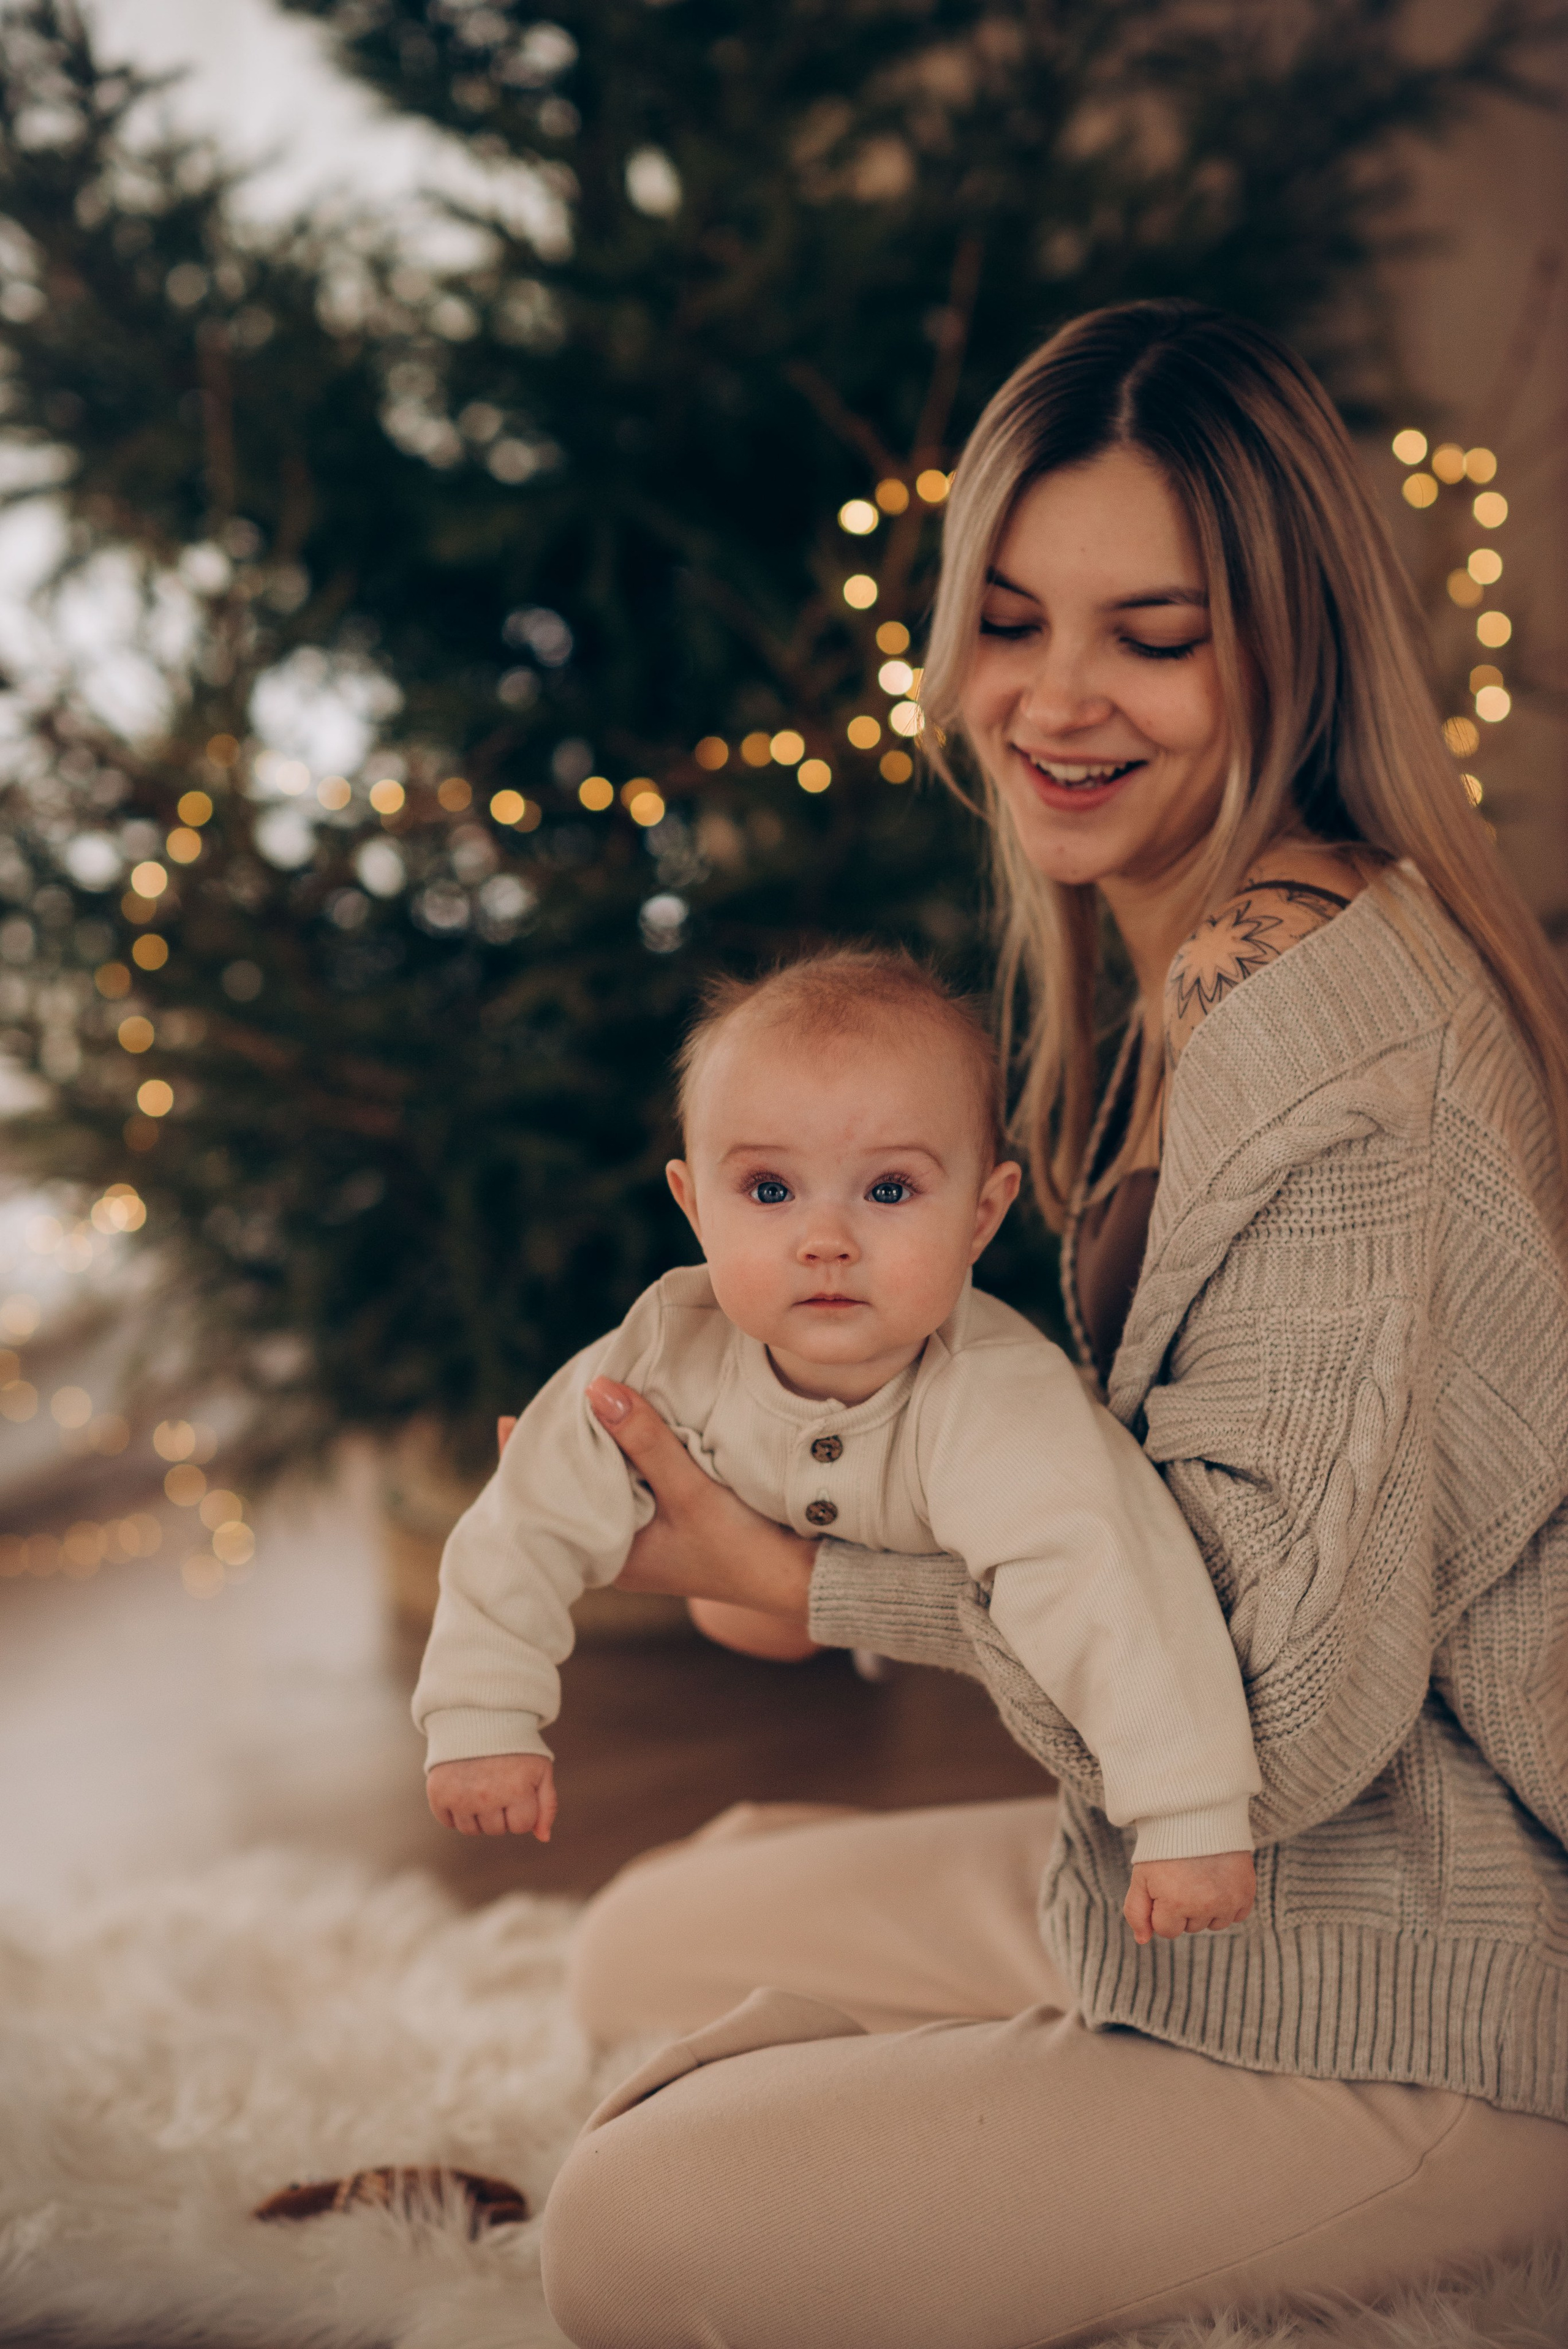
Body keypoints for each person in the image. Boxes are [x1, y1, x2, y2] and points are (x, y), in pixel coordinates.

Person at [538, 300, 1568, 2348]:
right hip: (1254, 1886)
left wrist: (830, 1585)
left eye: (1154, 635)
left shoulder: (1346, 1071)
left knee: (626, 2238)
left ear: (1291, 652)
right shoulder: (1185, 956)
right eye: (1007, 619)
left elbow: (1264, 1742)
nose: (1055, 697)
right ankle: (899, 2090)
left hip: (1441, 1981)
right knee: (636, 1948)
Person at [415, 948, 1260, 1945]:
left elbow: (1118, 1588)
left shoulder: (1001, 1404)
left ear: (982, 1214)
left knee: (1078, 1577)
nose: (826, 1240)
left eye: (890, 1192)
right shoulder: (658, 1355)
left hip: (988, 1660)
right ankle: (772, 1853)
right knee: (624, 1944)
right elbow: (522, 1524)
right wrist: (481, 1718)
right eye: (769, 1191)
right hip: (775, 1600)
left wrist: (1188, 1816)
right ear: (693, 1206)